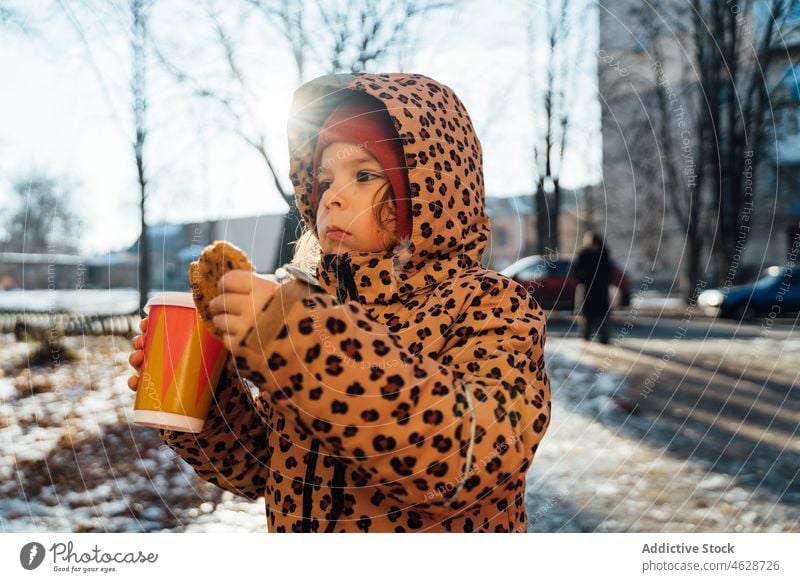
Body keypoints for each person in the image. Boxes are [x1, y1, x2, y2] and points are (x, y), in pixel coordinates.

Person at [128, 73, 551, 533]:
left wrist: (299, 339)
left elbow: (463, 465)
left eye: (365, 175)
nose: (331, 195)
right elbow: (259, 471)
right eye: (323, 180)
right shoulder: (313, 306)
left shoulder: (491, 305)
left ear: (432, 191)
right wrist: (204, 394)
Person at [572, 232, 612, 344]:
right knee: (587, 316)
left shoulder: (604, 254)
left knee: (601, 316)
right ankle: (586, 336)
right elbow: (576, 272)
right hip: (589, 289)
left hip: (600, 290)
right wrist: (584, 279)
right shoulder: (584, 254)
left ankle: (603, 338)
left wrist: (605, 281)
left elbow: (609, 272)